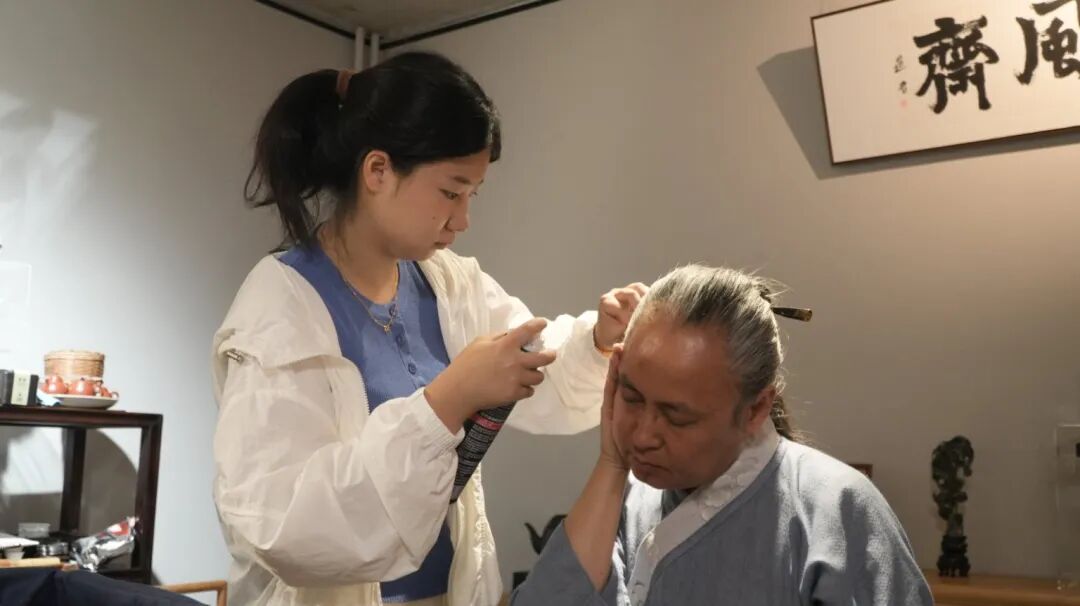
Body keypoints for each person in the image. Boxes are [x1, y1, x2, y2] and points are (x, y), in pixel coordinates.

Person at [210, 51, 647, 606]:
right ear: (377, 171)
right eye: (450, 192)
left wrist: (598, 340)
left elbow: (539, 368)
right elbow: (282, 525)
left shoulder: (448, 285)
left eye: (472, 195)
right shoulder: (280, 308)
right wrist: (448, 399)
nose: (462, 220)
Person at [511, 265, 933, 605]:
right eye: (632, 397)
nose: (643, 436)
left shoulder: (838, 511)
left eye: (677, 417)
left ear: (755, 409)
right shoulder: (628, 499)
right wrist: (611, 464)